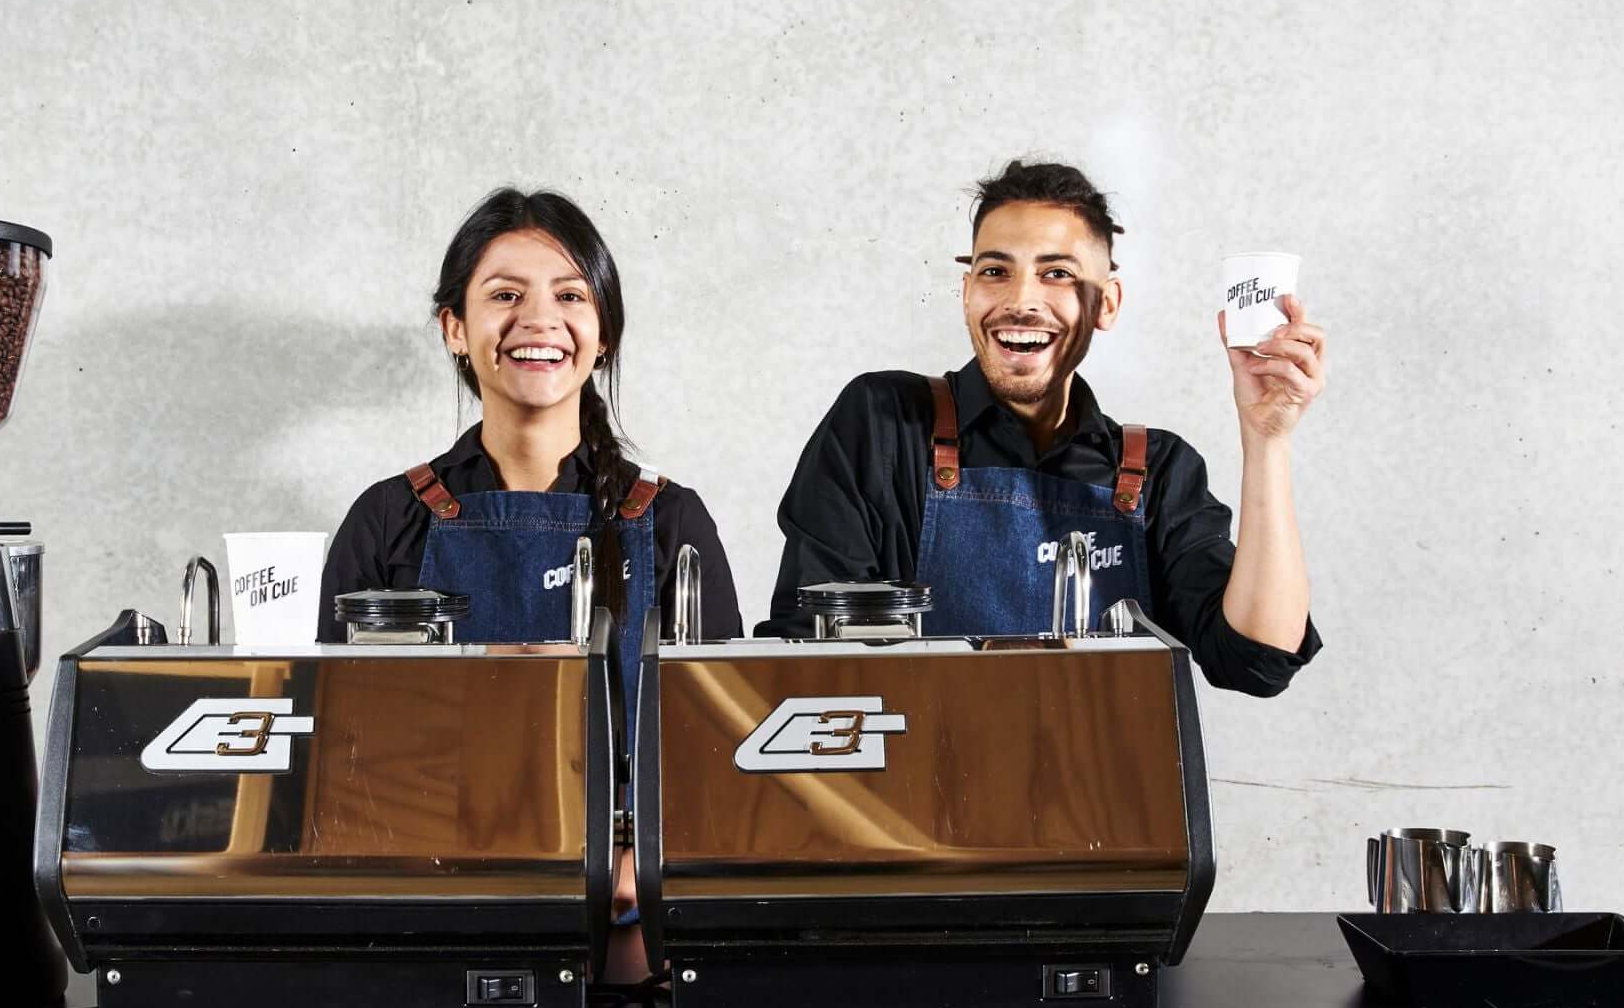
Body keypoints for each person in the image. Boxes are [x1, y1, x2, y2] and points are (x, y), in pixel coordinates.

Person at [762, 159, 1324, 695]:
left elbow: (1257, 660)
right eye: (994, 271)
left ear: (1106, 303)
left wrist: (1267, 439)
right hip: (917, 789)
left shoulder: (1158, 471)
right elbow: (812, 649)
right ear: (966, 294)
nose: (1020, 300)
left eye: (1057, 273)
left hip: (1104, 794)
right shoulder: (884, 424)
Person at [319, 182, 745, 734]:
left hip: (619, 823)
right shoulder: (385, 520)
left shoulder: (671, 522)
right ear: (455, 329)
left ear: (604, 334)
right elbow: (337, 736)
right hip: (423, 820)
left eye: (569, 296)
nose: (539, 320)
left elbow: (717, 746)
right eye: (505, 296)